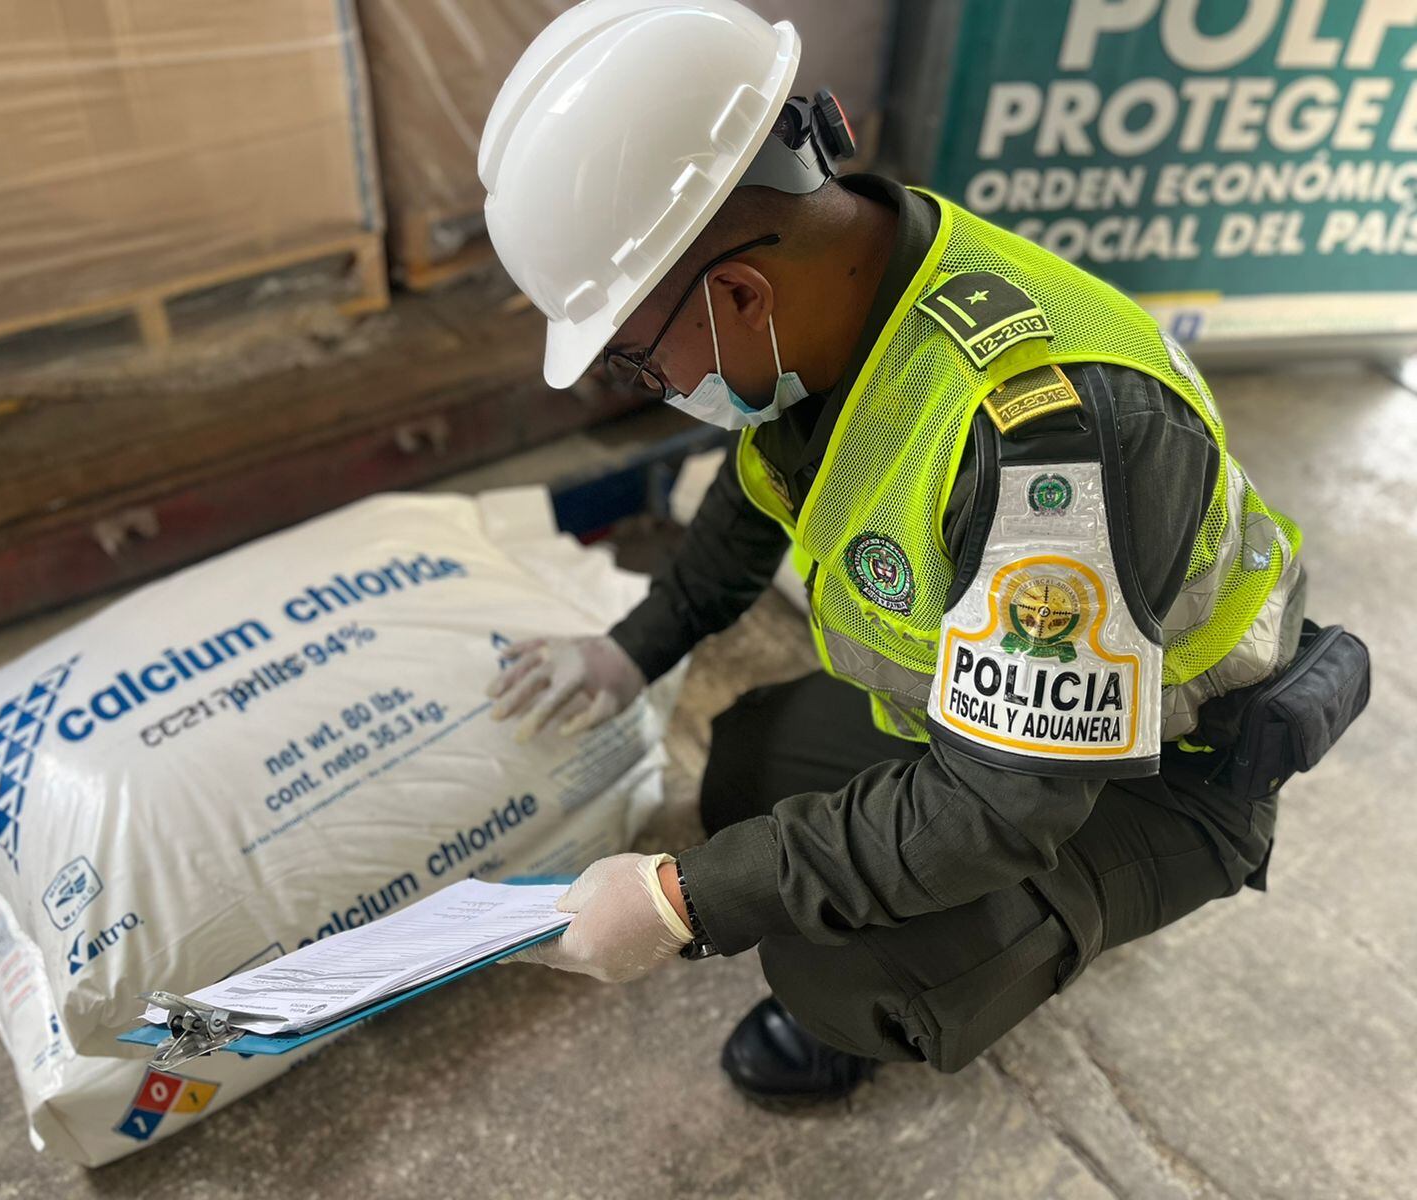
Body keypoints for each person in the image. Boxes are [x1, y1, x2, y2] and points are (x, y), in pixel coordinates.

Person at [477, 0, 1316, 1108]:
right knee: (747, 765)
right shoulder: (852, 292)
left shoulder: (1044, 448)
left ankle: (924, 990)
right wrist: (633, 650)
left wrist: (683, 903)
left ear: (736, 291)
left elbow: (1000, 808)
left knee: (830, 956)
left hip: (1165, 774)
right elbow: (755, 498)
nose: (647, 385)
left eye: (635, 359)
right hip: (1002, 728)